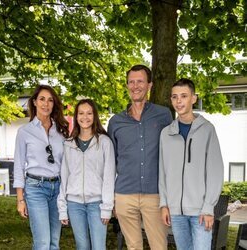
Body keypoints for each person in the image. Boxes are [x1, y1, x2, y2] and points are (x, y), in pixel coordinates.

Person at [108, 64, 173, 250]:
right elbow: (111, 161)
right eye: (131, 82)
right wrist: (112, 198)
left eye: (140, 82)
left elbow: (171, 154)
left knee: (159, 246)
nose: (135, 86)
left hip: (154, 194)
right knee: (133, 247)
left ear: (150, 85)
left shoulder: (163, 115)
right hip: (124, 194)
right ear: (127, 85)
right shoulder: (115, 122)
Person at [159, 78, 224, 250]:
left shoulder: (207, 130)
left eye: (183, 96)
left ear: (193, 99)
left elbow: (215, 172)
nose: (178, 101)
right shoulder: (166, 134)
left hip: (200, 212)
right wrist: (164, 204)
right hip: (176, 212)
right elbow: (162, 172)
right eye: (174, 97)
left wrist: (209, 207)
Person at [13, 85, 69, 250]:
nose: (46, 104)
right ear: (35, 102)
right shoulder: (24, 132)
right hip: (35, 189)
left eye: (50, 100)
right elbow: (18, 166)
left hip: (58, 189)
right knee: (42, 243)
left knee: (54, 242)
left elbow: (66, 164)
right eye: (42, 99)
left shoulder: (61, 132)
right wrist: (20, 199)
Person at [57, 99, 115, 250]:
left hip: (97, 203)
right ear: (76, 117)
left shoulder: (104, 142)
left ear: (94, 116)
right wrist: (63, 209)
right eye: (81, 113)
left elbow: (109, 176)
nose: (85, 117)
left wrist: (107, 207)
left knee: (98, 247)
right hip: (74, 205)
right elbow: (64, 177)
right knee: (82, 246)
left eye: (89, 113)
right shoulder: (68, 144)